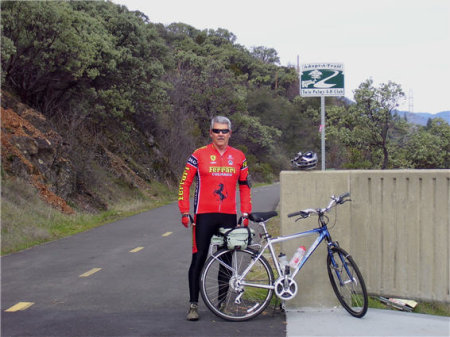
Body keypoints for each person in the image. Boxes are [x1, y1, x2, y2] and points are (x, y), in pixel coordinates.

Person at [178, 116, 252, 321]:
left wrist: (245, 212)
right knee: (198, 259)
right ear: (210, 132)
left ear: (230, 133)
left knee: (226, 261)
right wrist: (185, 211)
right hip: (203, 215)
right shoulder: (198, 155)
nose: (221, 134)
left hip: (228, 215)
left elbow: (245, 187)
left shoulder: (239, 157)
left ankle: (222, 304)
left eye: (224, 131)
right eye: (217, 131)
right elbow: (184, 184)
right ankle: (193, 305)